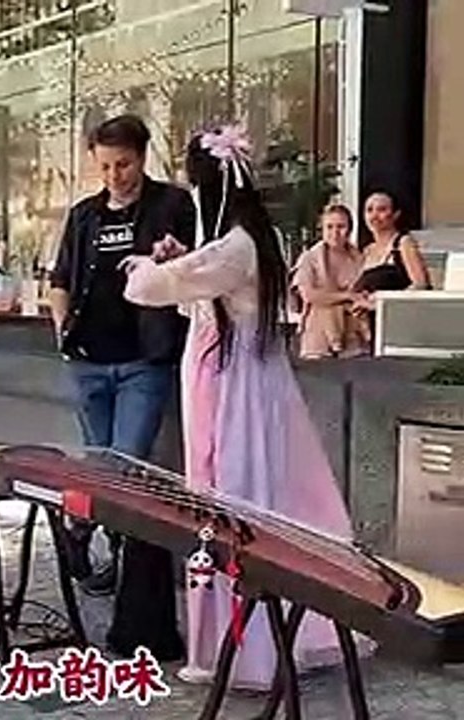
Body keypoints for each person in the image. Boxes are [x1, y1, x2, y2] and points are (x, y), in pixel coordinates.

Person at [122, 125, 356, 691]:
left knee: (228, 504)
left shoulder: (235, 246)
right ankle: (256, 641)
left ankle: (241, 652)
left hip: (230, 389)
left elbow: (160, 288)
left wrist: (143, 268)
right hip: (250, 381)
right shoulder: (255, 239)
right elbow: (202, 289)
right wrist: (183, 262)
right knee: (253, 499)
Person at [46, 113, 195, 658]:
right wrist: (61, 330)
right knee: (99, 459)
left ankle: (79, 528)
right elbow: (60, 278)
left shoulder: (171, 204)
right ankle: (108, 554)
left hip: (144, 359)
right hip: (88, 358)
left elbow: (194, 268)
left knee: (125, 465)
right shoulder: (84, 215)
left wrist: (173, 262)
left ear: (143, 155)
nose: (115, 175)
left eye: (124, 164)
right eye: (105, 166)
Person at [291, 205, 370, 360]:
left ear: (349, 229)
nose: (335, 232)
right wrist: (347, 296)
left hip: (352, 332)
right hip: (318, 332)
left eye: (341, 226)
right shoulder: (310, 258)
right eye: (330, 227)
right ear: (322, 229)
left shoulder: (359, 258)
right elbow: (309, 295)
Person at [350, 191, 432, 318]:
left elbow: (421, 284)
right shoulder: (367, 251)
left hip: (400, 320)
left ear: (395, 214)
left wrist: (381, 304)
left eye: (381, 210)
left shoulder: (404, 243)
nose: (374, 216)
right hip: (373, 325)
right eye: (369, 210)